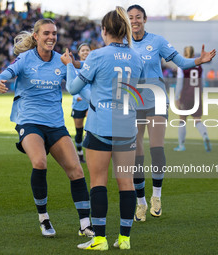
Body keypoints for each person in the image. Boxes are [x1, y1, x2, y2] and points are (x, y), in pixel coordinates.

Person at [0, 19, 94, 238]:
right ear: (36, 36)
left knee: (76, 171)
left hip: (56, 124)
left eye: (54, 33)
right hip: (29, 121)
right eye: (46, 33)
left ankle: (85, 223)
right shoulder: (25, 58)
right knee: (39, 162)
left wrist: (97, 103)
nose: (51, 37)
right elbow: (5, 74)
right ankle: (44, 218)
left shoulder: (62, 60)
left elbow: (78, 88)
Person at [61, 6, 144, 251]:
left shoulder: (97, 56)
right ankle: (125, 239)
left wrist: (69, 65)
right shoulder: (136, 56)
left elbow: (74, 89)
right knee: (126, 182)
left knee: (98, 181)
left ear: (104, 30)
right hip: (127, 126)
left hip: (99, 127)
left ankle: (99, 239)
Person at [127, 4, 216, 221]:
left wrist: (198, 60)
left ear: (145, 19)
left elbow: (180, 61)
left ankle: (156, 196)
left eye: (138, 17)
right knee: (135, 155)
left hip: (156, 99)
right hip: (133, 102)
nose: (134, 21)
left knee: (156, 149)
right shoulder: (121, 44)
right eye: (130, 18)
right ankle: (141, 203)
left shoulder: (157, 41)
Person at [174, 46, 212, 152]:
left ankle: (181, 145)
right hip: (197, 95)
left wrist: (177, 97)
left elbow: (180, 82)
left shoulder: (182, 66)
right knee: (197, 120)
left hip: (185, 96)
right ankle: (205, 136)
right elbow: (203, 82)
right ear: (194, 53)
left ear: (184, 54)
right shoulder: (199, 66)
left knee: (182, 121)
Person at [71, 43, 91, 163]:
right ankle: (79, 153)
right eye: (83, 50)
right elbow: (72, 83)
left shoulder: (93, 66)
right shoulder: (74, 67)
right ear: (79, 53)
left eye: (87, 50)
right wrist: (77, 96)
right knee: (79, 131)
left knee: (89, 129)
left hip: (90, 102)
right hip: (78, 104)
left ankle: (91, 153)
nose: (85, 52)